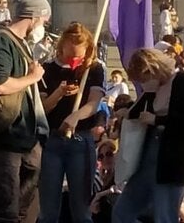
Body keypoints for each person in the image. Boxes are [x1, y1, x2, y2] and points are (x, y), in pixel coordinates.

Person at [0, 0, 50, 223]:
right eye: (44, 20)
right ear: (34, 16)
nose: (44, 26)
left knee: (26, 195)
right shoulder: (1, 40)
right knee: (6, 209)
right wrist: (33, 78)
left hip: (24, 134)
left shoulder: (20, 42)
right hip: (5, 135)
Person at [113, 49, 184, 223]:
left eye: (143, 79)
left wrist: (157, 120)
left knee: (165, 216)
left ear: (152, 70)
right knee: (122, 212)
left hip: (171, 160)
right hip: (148, 158)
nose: (143, 84)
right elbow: (141, 108)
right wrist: (128, 112)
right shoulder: (156, 88)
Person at [39, 22, 107, 223]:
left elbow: (94, 102)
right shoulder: (47, 69)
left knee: (81, 209)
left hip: (80, 139)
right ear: (62, 46)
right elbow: (42, 108)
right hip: (51, 140)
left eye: (80, 55)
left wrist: (75, 116)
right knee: (48, 210)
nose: (76, 60)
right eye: (71, 55)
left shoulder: (93, 69)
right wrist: (58, 94)